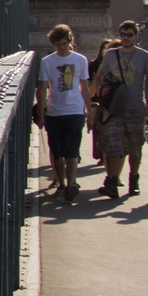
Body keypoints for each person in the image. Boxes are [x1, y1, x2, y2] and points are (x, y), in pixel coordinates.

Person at [89, 20, 148, 198]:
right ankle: (112, 181)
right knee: (113, 145)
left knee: (135, 146)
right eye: (123, 35)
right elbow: (99, 77)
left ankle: (133, 179)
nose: (126, 38)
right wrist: (98, 97)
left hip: (135, 108)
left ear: (136, 36)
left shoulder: (145, 56)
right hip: (114, 108)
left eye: (129, 35)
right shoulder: (111, 55)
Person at [36, 24, 91, 202]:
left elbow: (85, 87)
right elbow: (42, 88)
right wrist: (41, 112)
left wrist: (89, 110)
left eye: (64, 43)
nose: (61, 47)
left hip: (74, 110)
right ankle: (62, 184)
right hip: (54, 111)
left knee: (72, 151)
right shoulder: (47, 62)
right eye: (58, 44)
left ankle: (72, 184)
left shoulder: (81, 60)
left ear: (70, 41)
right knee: (57, 151)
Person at [86, 37, 118, 164]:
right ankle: (104, 157)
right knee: (101, 131)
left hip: (117, 104)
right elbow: (93, 84)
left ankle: (108, 160)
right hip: (101, 103)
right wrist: (88, 103)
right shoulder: (97, 66)